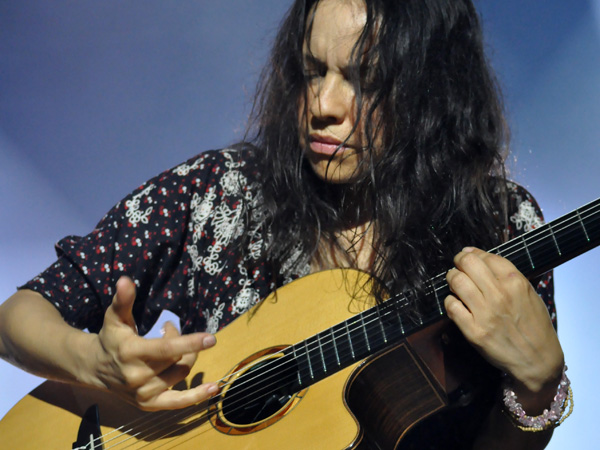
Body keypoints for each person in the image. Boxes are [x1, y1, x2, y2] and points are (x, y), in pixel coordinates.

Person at [0, 0, 567, 448]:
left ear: (433, 89)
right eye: (310, 70)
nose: (322, 102)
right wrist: (93, 364)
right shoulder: (219, 192)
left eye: (364, 80)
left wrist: (538, 389)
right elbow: (17, 317)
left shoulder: (501, 226)